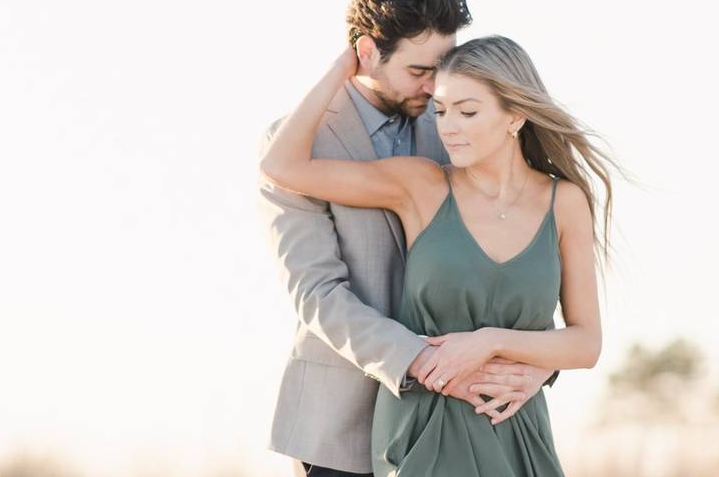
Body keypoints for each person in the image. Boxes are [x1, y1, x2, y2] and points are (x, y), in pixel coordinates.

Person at [261, 34, 617, 476]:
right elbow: (281, 167)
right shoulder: (422, 186)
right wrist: (343, 69)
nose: (447, 127)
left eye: (467, 112)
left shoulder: (564, 202)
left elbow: (586, 343)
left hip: (515, 427)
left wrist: (493, 342)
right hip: (423, 428)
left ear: (515, 116)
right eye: (442, 111)